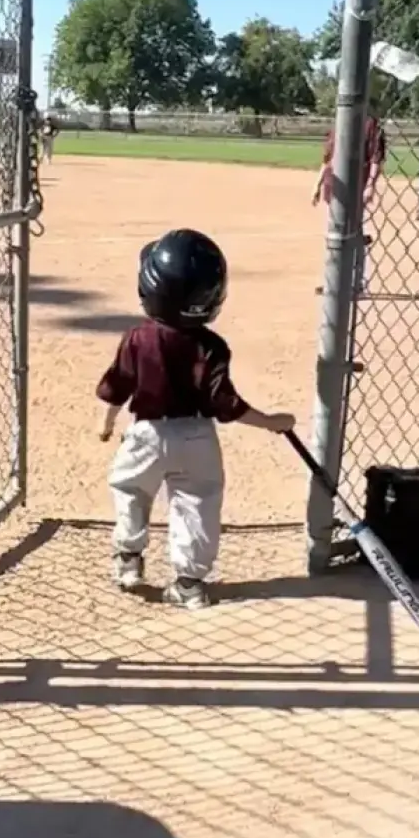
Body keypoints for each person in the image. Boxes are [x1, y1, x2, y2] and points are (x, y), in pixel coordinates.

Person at [96, 228, 296, 610]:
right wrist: (271, 421)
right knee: (198, 503)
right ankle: (189, 583)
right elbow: (225, 404)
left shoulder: (138, 338)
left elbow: (118, 386)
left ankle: (128, 559)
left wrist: (107, 424)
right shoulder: (213, 346)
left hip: (147, 435)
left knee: (130, 490)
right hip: (197, 439)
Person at [312, 112, 386, 296]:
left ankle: (357, 283)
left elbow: (376, 159)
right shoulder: (338, 122)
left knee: (354, 234)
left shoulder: (371, 125)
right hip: (334, 188)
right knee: (334, 235)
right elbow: (328, 159)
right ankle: (333, 281)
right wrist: (318, 184)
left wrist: (370, 186)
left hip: (355, 189)